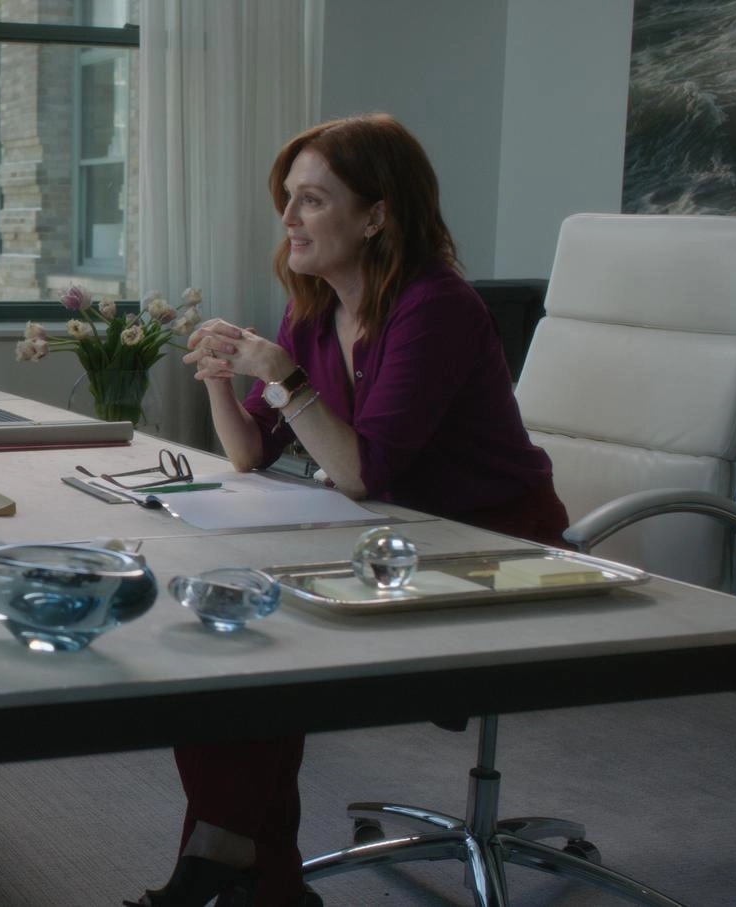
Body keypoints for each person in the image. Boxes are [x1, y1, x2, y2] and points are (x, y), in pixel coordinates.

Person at [129, 113, 568, 907]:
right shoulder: (313, 309)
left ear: (376, 215)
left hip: (494, 546)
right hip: (393, 541)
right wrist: (222, 379)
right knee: (225, 616)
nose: (289, 218)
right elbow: (250, 453)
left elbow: (361, 469)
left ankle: (243, 865)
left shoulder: (436, 306)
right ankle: (245, 865)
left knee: (263, 628)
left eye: (313, 199)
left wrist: (285, 377)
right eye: (288, 198)